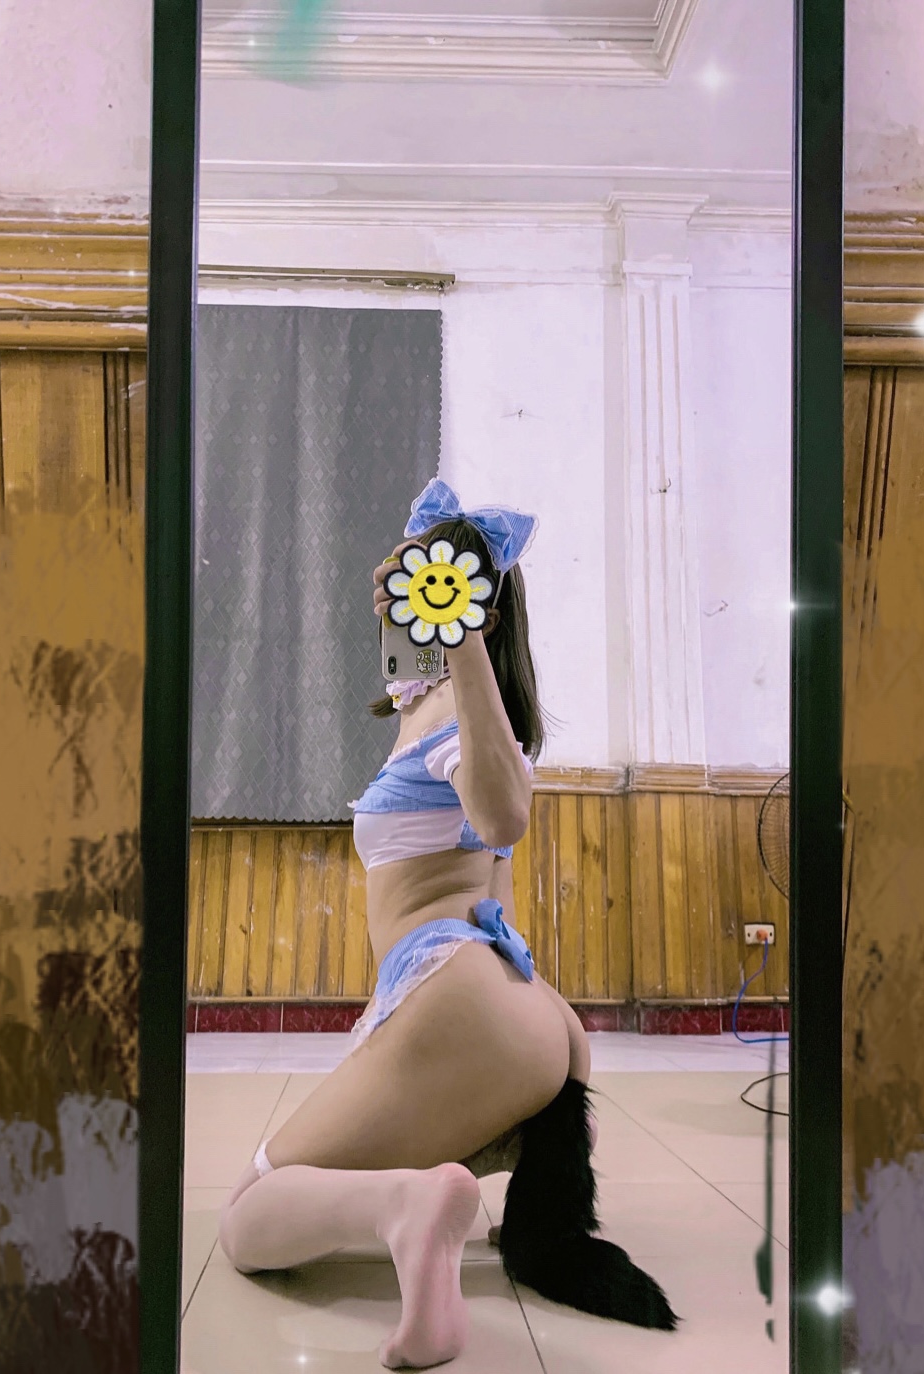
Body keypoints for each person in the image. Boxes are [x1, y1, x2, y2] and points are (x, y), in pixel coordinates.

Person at [218, 479, 676, 1369]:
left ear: (470, 613)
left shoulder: (449, 714)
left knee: (249, 1219)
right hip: (517, 1005)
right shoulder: (452, 712)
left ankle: (411, 1207)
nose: (393, 606)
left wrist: (457, 641)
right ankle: (508, 1159)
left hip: (465, 996)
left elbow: (502, 818)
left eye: (412, 588)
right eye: (395, 588)